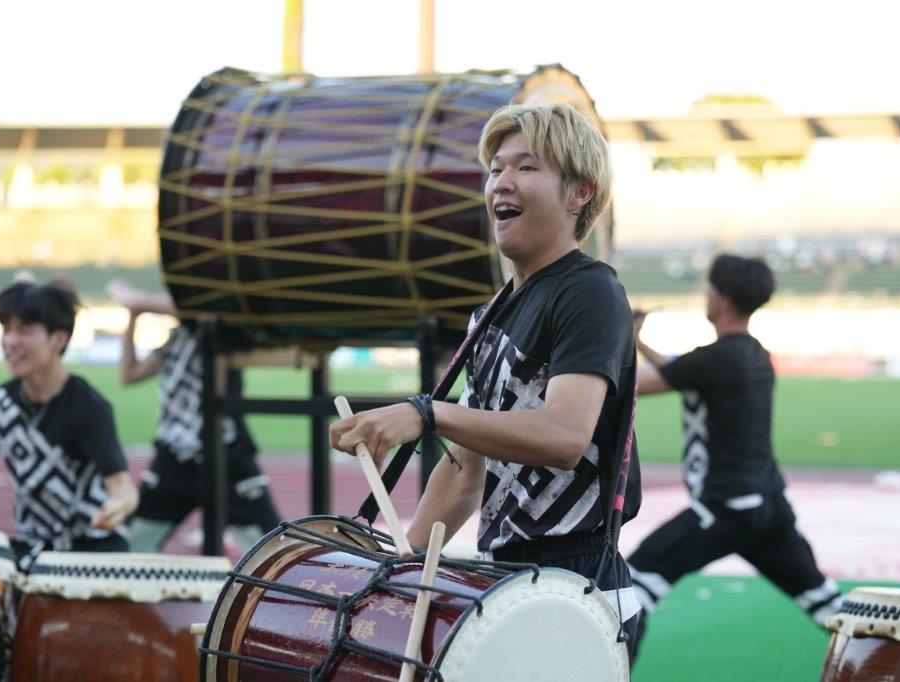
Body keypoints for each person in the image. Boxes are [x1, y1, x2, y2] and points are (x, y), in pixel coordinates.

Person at [330, 103, 641, 658]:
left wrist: (428, 413)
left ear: (579, 193)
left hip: (576, 587)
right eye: (495, 169)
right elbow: (464, 472)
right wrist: (400, 564)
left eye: (526, 167)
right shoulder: (489, 314)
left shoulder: (588, 290)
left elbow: (565, 436)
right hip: (508, 580)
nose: (501, 181)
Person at [624, 254, 843, 662]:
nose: (705, 295)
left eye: (709, 288)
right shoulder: (755, 355)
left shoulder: (716, 359)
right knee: (829, 606)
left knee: (633, 584)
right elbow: (681, 372)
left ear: (723, 300)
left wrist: (616, 337)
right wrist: (638, 341)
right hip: (770, 507)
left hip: (724, 511)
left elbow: (630, 384)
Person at [0, 280, 138, 570]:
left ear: (59, 340)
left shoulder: (89, 406)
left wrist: (115, 509)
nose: (10, 341)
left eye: (24, 331)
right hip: (31, 553)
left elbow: (122, 487)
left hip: (91, 554)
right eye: (7, 329)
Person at [107, 280, 281, 554]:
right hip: (175, 459)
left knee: (272, 551)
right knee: (127, 547)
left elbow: (204, 312)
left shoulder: (224, 328)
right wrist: (133, 317)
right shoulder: (175, 339)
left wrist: (140, 301)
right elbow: (129, 375)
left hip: (226, 457)